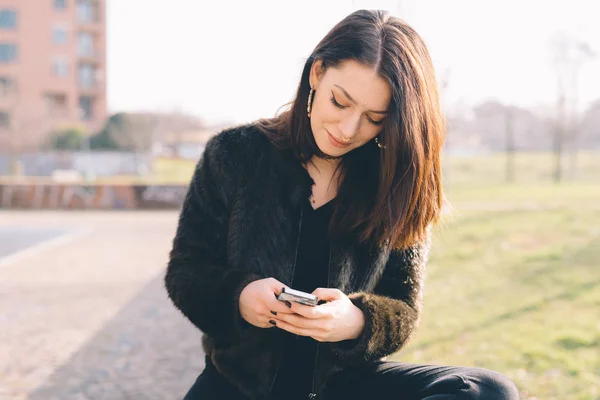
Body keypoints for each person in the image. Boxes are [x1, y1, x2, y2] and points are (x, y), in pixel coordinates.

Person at [165, 9, 520, 400]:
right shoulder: (235, 154)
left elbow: (402, 308)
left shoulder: (396, 182)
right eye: (340, 102)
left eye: (373, 118)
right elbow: (186, 273)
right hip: (238, 386)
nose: (349, 130)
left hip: (343, 386)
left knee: (488, 391)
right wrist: (241, 297)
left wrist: (357, 321)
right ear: (317, 73)